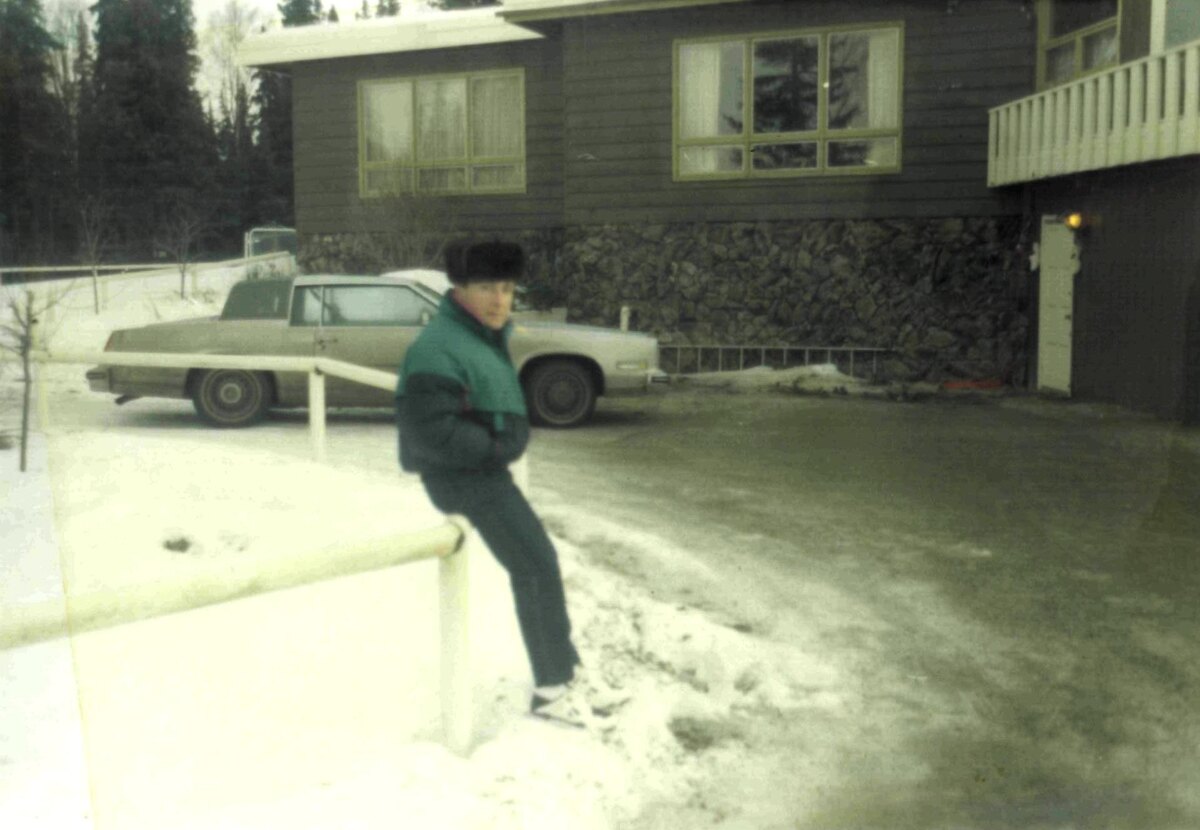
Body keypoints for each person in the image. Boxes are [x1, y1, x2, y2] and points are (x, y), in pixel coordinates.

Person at [395, 240, 599, 727]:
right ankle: (553, 690)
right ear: (459, 288)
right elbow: (429, 431)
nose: (499, 300)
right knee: (535, 566)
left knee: (540, 563)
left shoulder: (481, 337)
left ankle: (566, 674)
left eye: (507, 288)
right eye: (486, 287)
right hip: (465, 479)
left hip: (484, 475)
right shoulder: (438, 345)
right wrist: (494, 447)